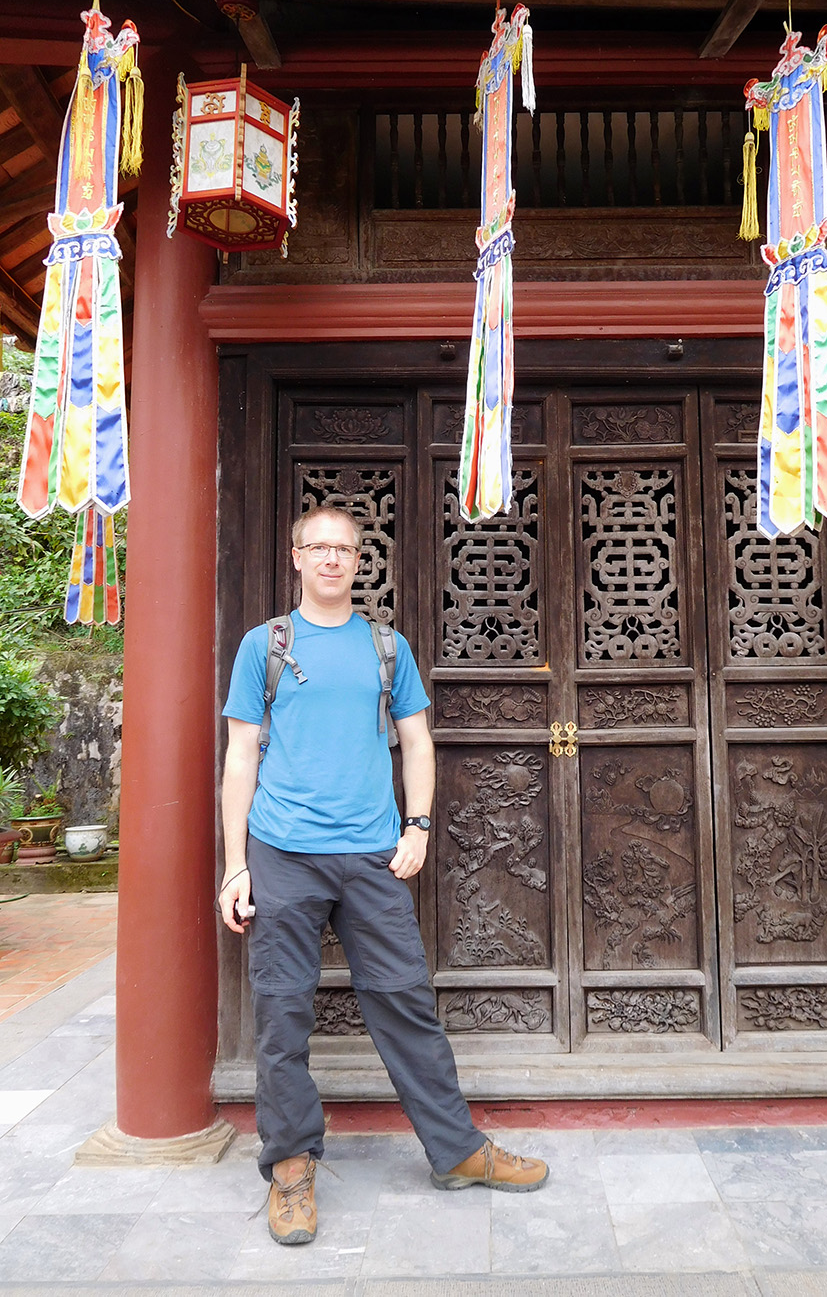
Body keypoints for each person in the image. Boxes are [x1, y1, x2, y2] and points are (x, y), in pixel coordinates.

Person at [218, 502, 548, 1245]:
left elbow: (418, 742)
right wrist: (236, 865)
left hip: (372, 853)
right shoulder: (262, 645)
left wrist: (419, 824)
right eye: (319, 547)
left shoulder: (385, 645)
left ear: (359, 561)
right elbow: (240, 757)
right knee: (281, 1013)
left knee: (405, 1001)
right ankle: (292, 1166)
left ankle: (458, 1150)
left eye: (345, 549)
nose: (332, 559)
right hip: (283, 851)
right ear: (296, 557)